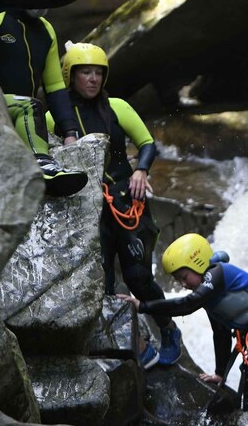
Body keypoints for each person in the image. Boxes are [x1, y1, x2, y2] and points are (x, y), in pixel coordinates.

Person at [48, 42, 181, 366]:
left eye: (98, 73)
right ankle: (124, 345)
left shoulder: (118, 106)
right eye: (85, 73)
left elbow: (147, 143)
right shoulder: (56, 116)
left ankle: (169, 330)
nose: (92, 79)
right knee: (102, 282)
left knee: (138, 277)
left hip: (127, 200)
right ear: (70, 75)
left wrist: (141, 170)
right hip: (89, 207)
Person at [118, 233, 248, 426]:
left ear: (197, 263)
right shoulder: (210, 297)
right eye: (178, 280)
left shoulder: (217, 273)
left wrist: (143, 306)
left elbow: (187, 304)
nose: (183, 284)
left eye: (184, 277)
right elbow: (221, 333)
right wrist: (220, 374)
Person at [0, 0, 86, 197]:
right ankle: (41, 164)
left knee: (31, 106)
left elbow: (55, 85)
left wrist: (69, 130)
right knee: (31, 106)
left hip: (19, 108)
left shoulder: (46, 30)